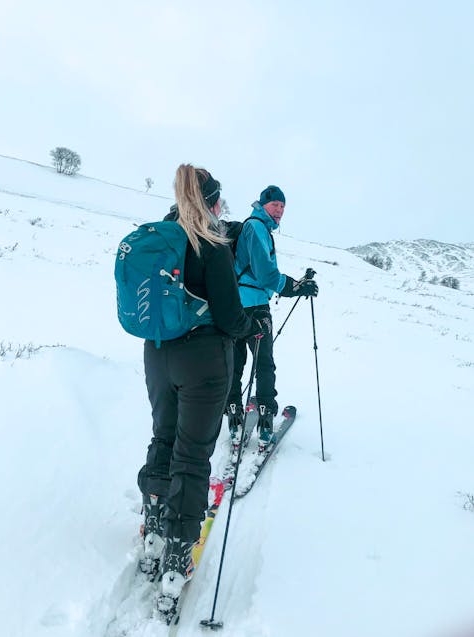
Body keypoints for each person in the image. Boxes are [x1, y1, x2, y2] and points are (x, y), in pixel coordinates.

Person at [137, 165, 268, 601]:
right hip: (204, 361)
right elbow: (230, 316)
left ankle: (153, 521)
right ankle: (178, 554)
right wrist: (250, 327)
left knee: (164, 436)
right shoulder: (212, 244)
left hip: (157, 354)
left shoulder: (160, 239)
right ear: (212, 201)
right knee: (192, 457)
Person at [226, 185, 319, 451]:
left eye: (282, 207)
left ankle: (234, 417)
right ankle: (265, 421)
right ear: (263, 205)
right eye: (275, 205)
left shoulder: (255, 228)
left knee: (236, 363)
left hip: (236, 307)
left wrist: (292, 284)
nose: (279, 211)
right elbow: (266, 274)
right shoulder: (256, 228)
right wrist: (295, 287)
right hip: (254, 309)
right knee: (263, 363)